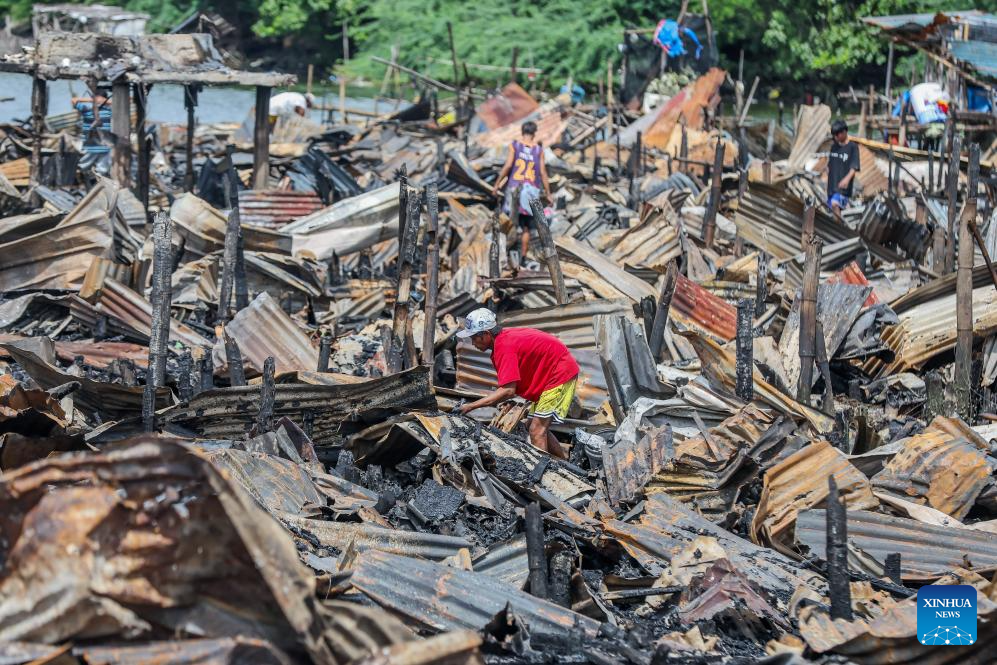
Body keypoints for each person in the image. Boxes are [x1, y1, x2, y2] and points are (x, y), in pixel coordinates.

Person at [457, 308, 578, 460]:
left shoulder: (504, 347)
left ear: (487, 334)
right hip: (552, 375)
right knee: (533, 427)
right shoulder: (503, 340)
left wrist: (471, 406)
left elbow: (508, 390)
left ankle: (544, 478)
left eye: (474, 337)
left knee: (537, 431)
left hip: (559, 375)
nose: (472, 343)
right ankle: (565, 464)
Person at [491, 121, 552, 264]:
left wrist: (497, 184)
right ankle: (523, 258)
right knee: (526, 227)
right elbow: (543, 172)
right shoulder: (539, 150)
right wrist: (548, 193)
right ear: (534, 133)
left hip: (514, 188)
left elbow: (508, 166)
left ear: (522, 131)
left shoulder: (515, 146)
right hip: (531, 191)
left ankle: (506, 255)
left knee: (510, 223)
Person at [71, 87, 113, 170]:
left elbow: (74, 101)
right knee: (92, 169)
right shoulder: (89, 110)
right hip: (94, 147)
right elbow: (73, 100)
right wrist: (93, 99)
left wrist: (94, 99)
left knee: (99, 170)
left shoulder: (107, 111)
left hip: (99, 147)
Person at [827, 119, 859, 220]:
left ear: (844, 132)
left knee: (835, 204)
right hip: (831, 188)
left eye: (837, 134)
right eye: (834, 135)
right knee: (831, 208)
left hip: (843, 190)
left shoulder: (852, 147)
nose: (835, 137)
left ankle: (839, 229)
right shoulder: (834, 147)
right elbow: (830, 165)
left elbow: (854, 167)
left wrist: (847, 179)